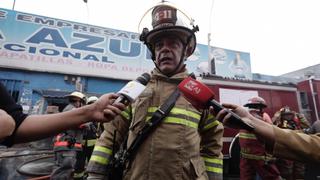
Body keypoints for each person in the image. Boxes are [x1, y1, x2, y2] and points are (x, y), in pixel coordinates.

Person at [87, 3, 224, 180]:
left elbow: (213, 146)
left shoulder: (199, 93)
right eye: (159, 45)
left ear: (186, 50)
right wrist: (95, 175)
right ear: (153, 53)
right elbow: (110, 135)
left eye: (173, 44)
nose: (164, 49)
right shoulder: (135, 90)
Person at [0, 81, 125, 147]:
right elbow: (11, 125)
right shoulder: (70, 109)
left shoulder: (75, 111)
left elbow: (18, 125)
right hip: (68, 144)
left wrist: (90, 112)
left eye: (76, 101)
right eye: (74, 101)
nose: (75, 103)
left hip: (76, 144)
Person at [215, 103, 320, 164]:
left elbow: (310, 142)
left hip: (264, 153)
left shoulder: (295, 120)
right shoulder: (268, 118)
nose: (254, 109)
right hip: (252, 154)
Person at [238, 97, 280, 180]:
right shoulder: (263, 117)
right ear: (261, 107)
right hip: (260, 156)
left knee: (246, 176)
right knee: (271, 176)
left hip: (245, 155)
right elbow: (271, 133)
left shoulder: (242, 116)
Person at [51, 91, 89, 179]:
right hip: (67, 145)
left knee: (61, 169)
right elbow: (82, 124)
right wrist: (88, 122)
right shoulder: (73, 110)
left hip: (64, 145)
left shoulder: (67, 109)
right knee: (64, 170)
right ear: (79, 102)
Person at [272, 106, 305, 179]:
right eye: (286, 115)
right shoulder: (279, 123)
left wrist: (301, 117)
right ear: (282, 116)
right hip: (286, 150)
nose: (288, 116)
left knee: (300, 170)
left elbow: (307, 126)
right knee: (287, 171)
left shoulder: (296, 123)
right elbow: (272, 126)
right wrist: (277, 116)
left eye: (290, 114)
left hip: (298, 149)